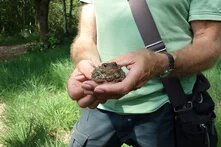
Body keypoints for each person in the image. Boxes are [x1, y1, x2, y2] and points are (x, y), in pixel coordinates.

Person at [67, 0, 221, 146]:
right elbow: (85, 38)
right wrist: (86, 64)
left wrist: (161, 63)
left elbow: (209, 46)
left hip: (168, 105)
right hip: (101, 104)